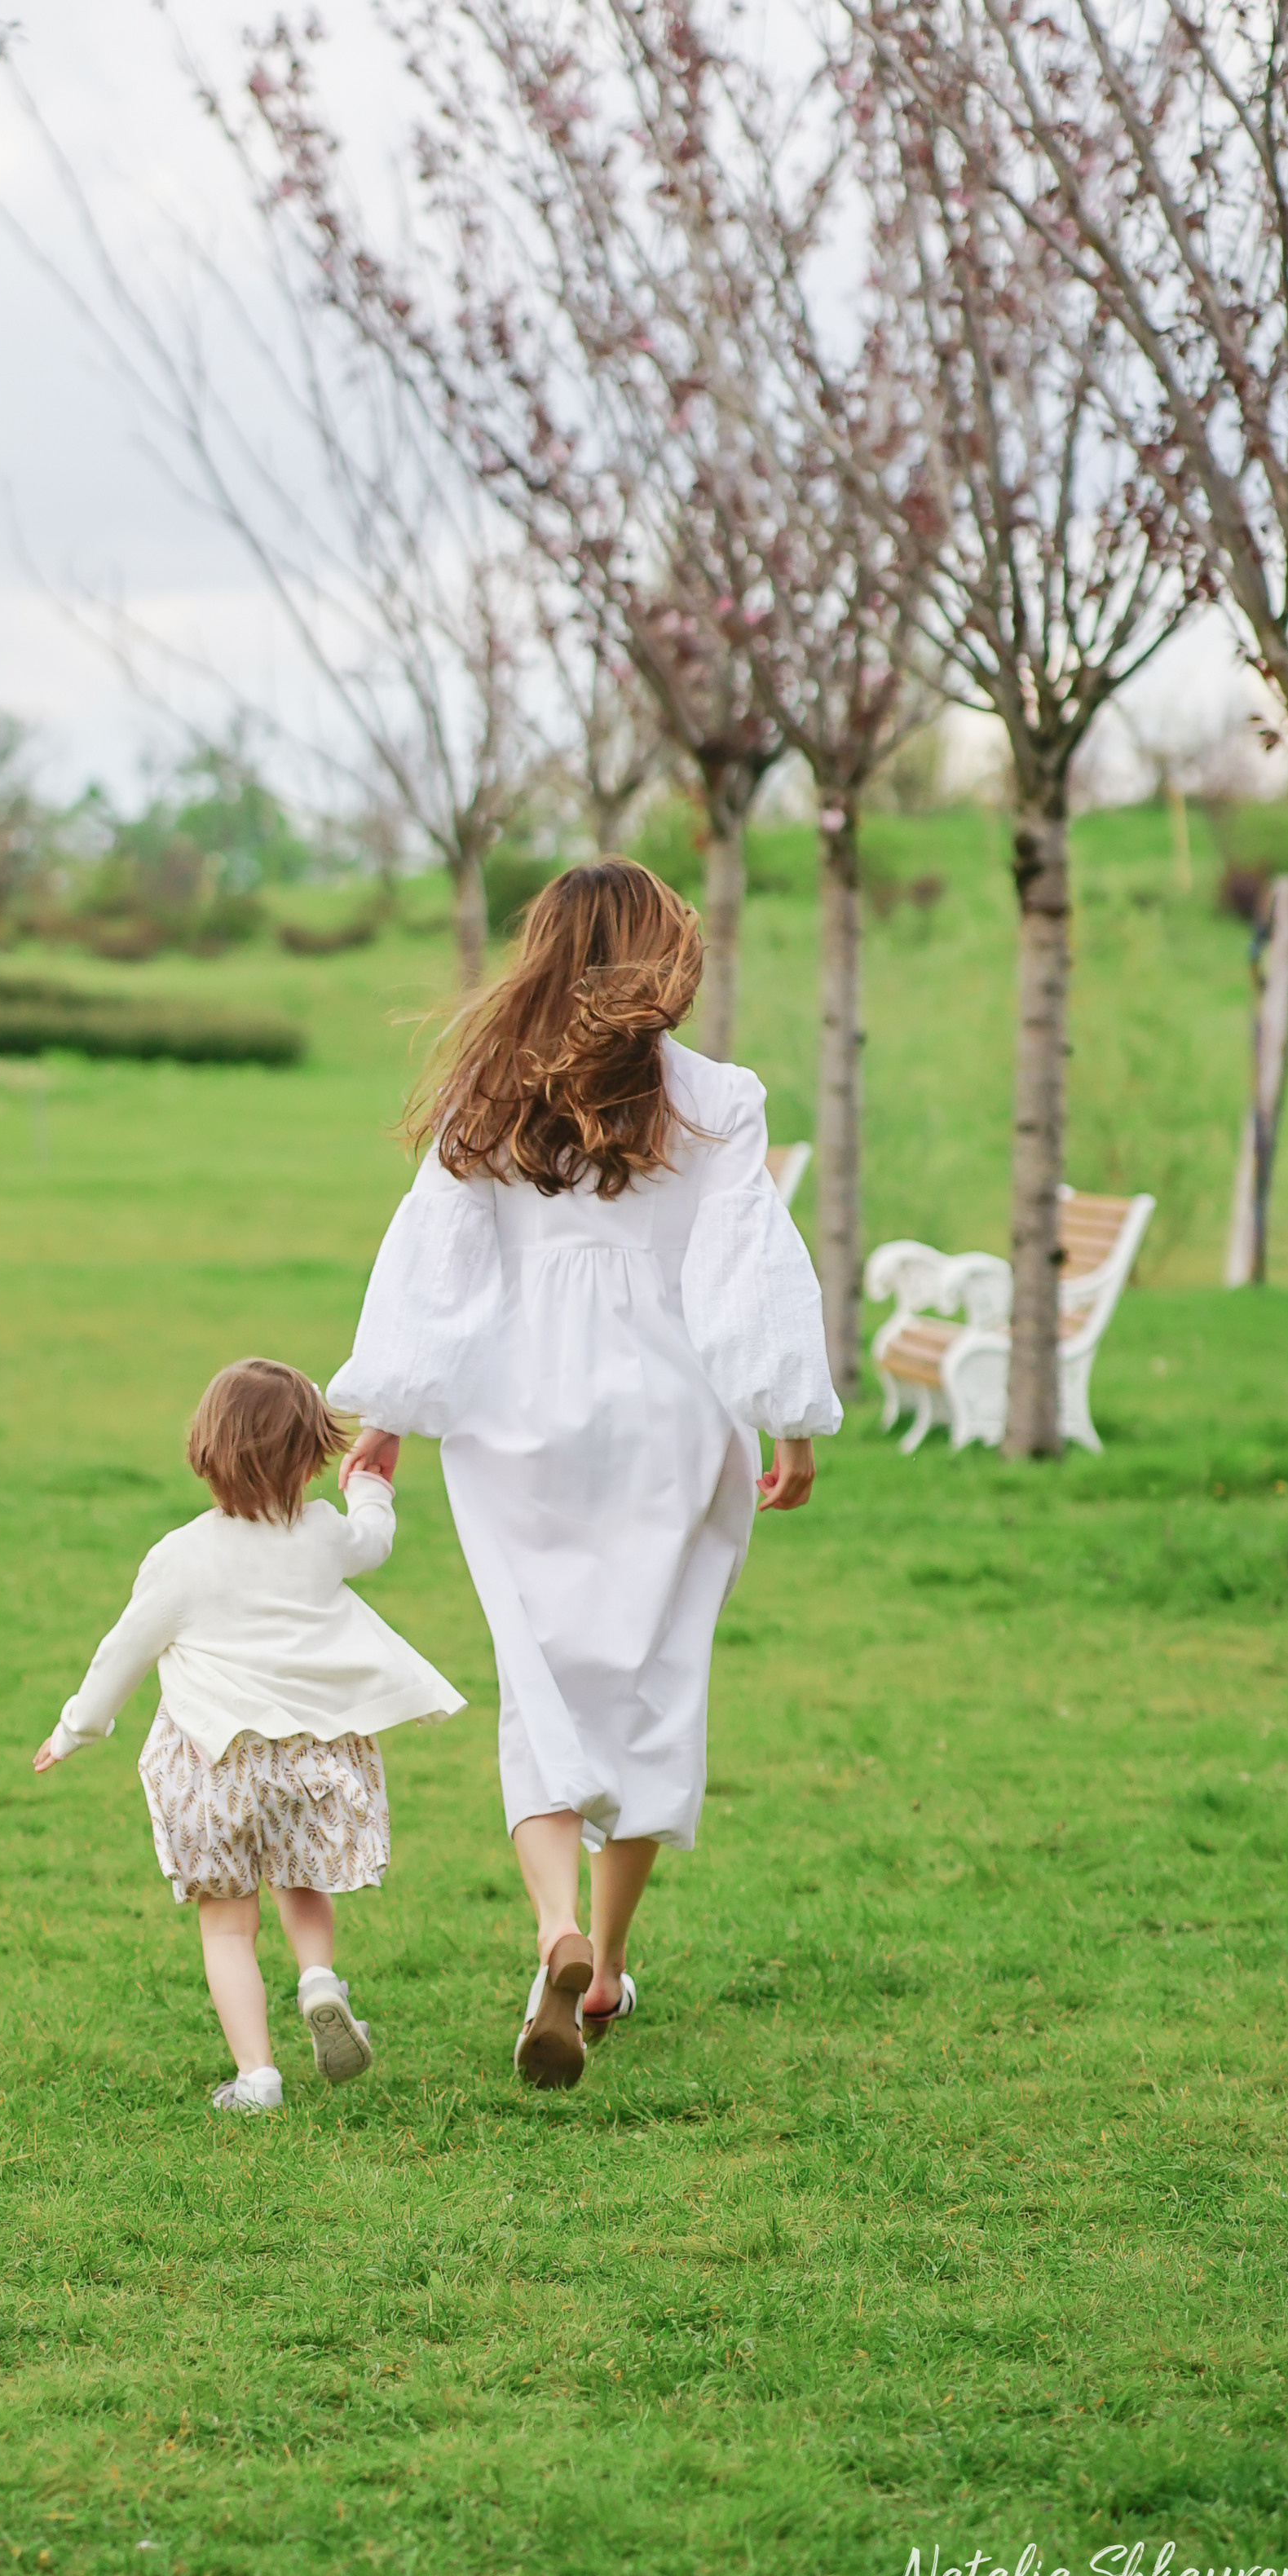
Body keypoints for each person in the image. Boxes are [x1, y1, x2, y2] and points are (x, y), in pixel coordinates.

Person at [328, 861, 840, 2093]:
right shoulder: (715, 1097)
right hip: (670, 1414)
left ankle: (552, 1925)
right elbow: (746, 1271)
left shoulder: (485, 1091)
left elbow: (434, 1267)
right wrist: (788, 1420)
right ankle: (604, 1963)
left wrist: (388, 1413)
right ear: (657, 954)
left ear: (545, 947)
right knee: (654, 1680)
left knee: (536, 1675)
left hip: (518, 1416)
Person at [34, 1356, 465, 2113]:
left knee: (228, 1925)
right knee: (300, 1879)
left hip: (214, 1764)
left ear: (208, 1454)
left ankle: (258, 2077)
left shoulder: (180, 1557)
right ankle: (319, 1980)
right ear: (310, 1458)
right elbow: (375, 1539)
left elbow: (122, 1653)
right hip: (309, 1757)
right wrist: (371, 1483)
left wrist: (78, 1727)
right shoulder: (323, 1535)